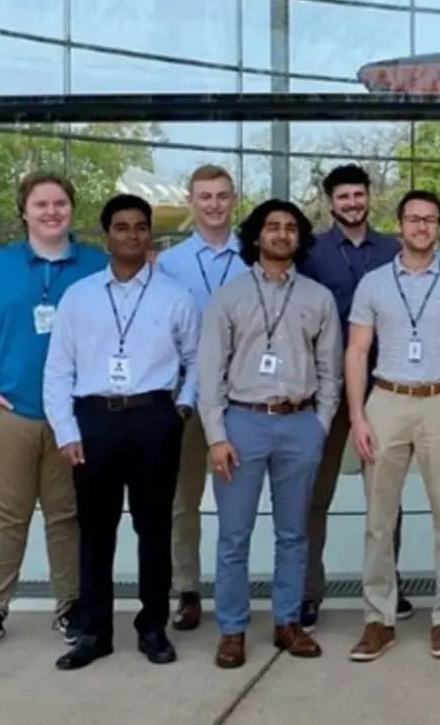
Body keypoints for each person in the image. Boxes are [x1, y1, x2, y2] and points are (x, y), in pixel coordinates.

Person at [0, 172, 106, 655]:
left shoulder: (97, 266)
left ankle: (71, 605)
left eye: (60, 203)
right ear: (24, 211)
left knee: (67, 517)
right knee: (6, 516)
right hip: (9, 411)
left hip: (73, 418)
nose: (51, 212)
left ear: (71, 210)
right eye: (41, 204)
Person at [42, 194, 200, 670]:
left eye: (140, 227)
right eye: (122, 227)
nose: (132, 235)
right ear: (106, 235)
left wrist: (182, 408)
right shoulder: (81, 295)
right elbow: (58, 370)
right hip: (94, 422)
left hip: (154, 418)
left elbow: (196, 360)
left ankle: (152, 628)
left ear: (149, 233)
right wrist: (67, 432)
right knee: (96, 531)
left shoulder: (174, 295)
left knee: (153, 529)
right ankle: (95, 632)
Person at [196, 199, 341, 670]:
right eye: (272, 227)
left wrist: (318, 425)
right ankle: (233, 630)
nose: (282, 234)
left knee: (294, 533)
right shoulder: (230, 296)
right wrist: (216, 435)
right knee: (234, 535)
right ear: (256, 237)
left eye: (290, 228)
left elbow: (330, 370)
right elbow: (210, 371)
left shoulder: (318, 298)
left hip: (299, 423)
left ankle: (287, 622)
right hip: (242, 422)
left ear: (300, 239)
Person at [344, 191, 440, 663]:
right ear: (400, 224)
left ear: (439, 226)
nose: (421, 226)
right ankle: (377, 620)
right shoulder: (374, 283)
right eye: (413, 218)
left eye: (429, 219)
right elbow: (358, 352)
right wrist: (358, 415)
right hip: (386, 399)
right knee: (378, 521)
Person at [300, 164, 403, 629]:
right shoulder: (311, 253)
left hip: (382, 383)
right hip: (325, 388)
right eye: (343, 197)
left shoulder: (394, 250)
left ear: (369, 197)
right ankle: (307, 592)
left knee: (384, 495)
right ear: (330, 202)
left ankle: (387, 586)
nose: (352, 204)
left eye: (358, 195)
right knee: (313, 495)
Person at [154, 163, 246, 633]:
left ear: (235, 200)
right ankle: (187, 590)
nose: (214, 204)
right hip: (187, 398)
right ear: (191, 201)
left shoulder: (253, 256)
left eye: (222, 196)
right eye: (205, 196)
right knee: (182, 502)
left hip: (246, 397)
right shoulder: (168, 264)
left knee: (242, 502)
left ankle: (237, 591)